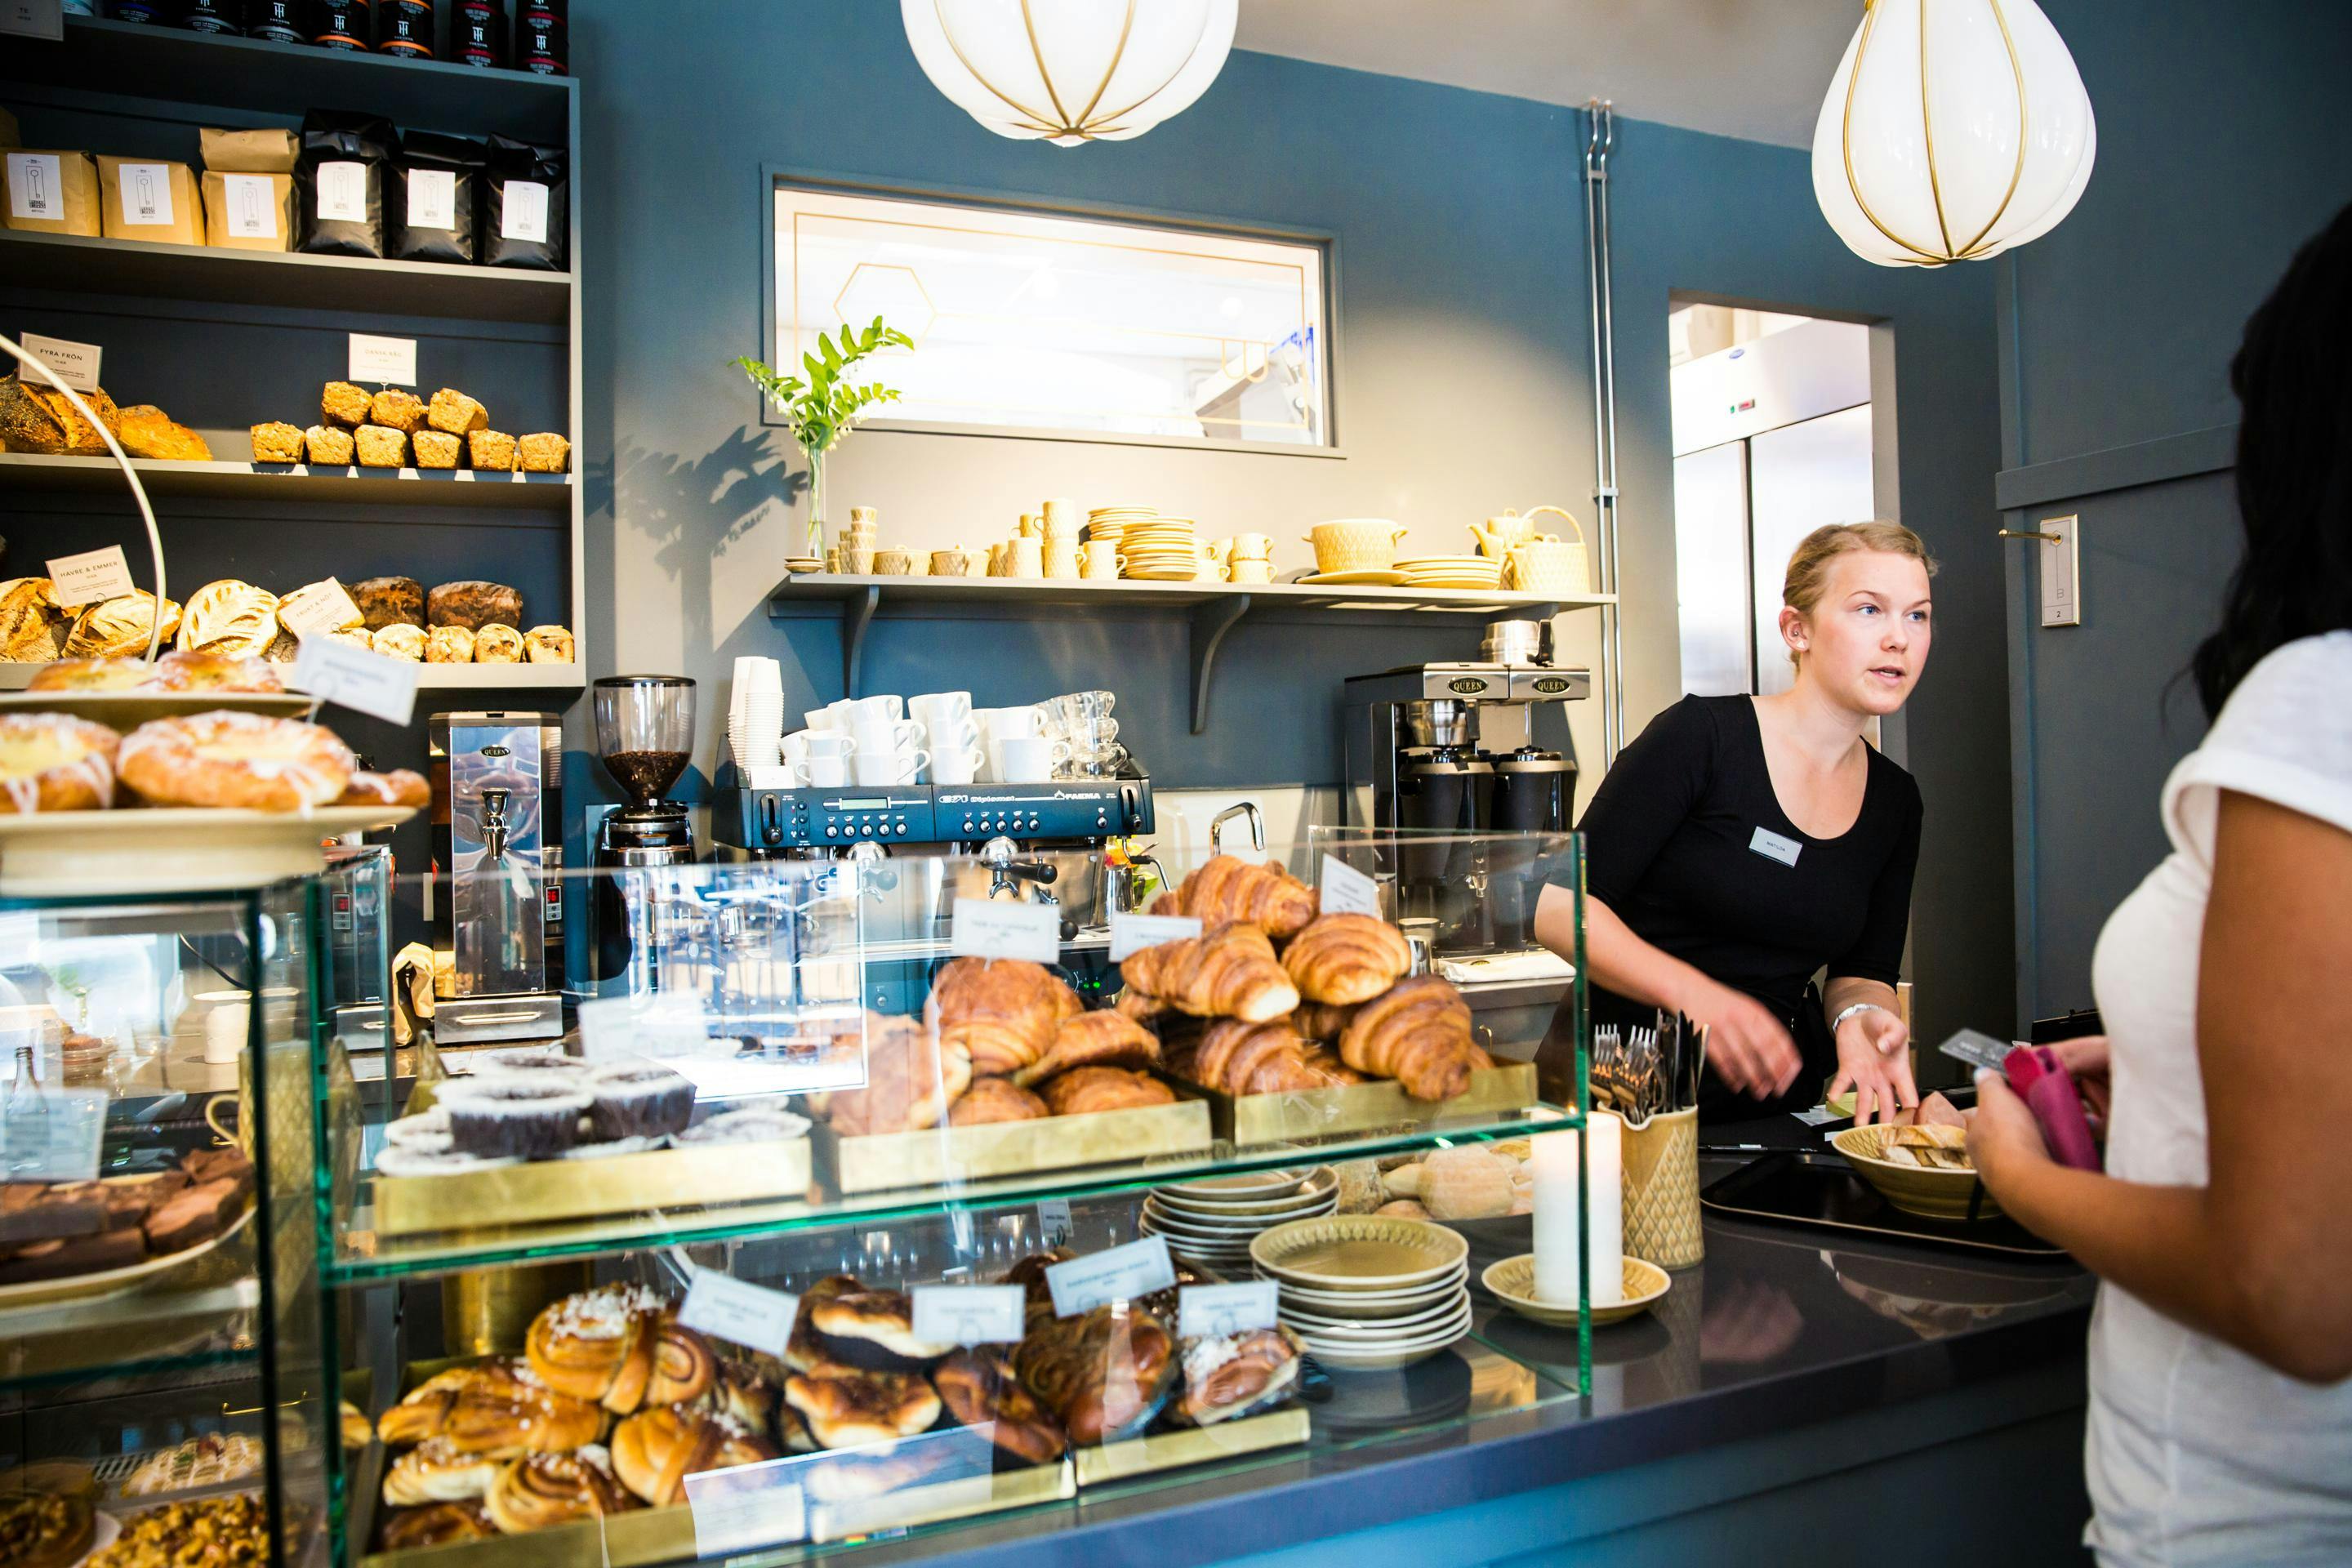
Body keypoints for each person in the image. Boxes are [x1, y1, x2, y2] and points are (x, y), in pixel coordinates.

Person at [1969, 204, 2352, 1564]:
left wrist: (2018, 1173)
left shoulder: (2321, 701)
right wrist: (2176, 1052)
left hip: (2250, 1519)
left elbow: (2297, 1292)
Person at [1534, 521, 1932, 1124]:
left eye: (1918, 616)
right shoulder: (1701, 738)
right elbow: (1560, 909)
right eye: (1870, 610)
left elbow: (1863, 973)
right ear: (1796, 630)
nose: (1899, 639)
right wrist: (1701, 1001)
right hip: (1616, 1096)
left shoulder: (1895, 802)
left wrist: (1860, 1017)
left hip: (1771, 1110)